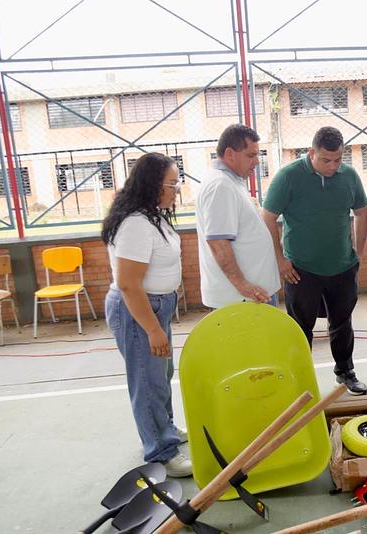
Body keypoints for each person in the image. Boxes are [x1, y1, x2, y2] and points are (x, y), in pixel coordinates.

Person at [262, 127, 367, 395]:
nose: (333, 166)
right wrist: (280, 260)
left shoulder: (349, 176)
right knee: (301, 326)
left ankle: (345, 371)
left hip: (343, 267)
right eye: (326, 160)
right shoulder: (289, 177)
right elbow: (267, 217)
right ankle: (299, 378)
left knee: (342, 321)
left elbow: (362, 211)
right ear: (311, 153)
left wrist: (360, 252)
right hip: (301, 269)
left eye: (338, 160)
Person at [101, 153, 191, 477]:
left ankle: (164, 430)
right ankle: (161, 451)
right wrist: (152, 329)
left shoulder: (153, 215)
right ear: (153, 185)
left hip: (154, 307)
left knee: (161, 374)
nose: (177, 189)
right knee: (148, 381)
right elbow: (128, 283)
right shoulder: (136, 224)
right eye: (172, 183)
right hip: (139, 311)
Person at [196, 124, 280, 308]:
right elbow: (218, 242)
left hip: (251, 295)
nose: (257, 161)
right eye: (251, 155)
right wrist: (242, 285)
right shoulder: (221, 186)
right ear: (229, 154)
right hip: (240, 298)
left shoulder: (231, 182)